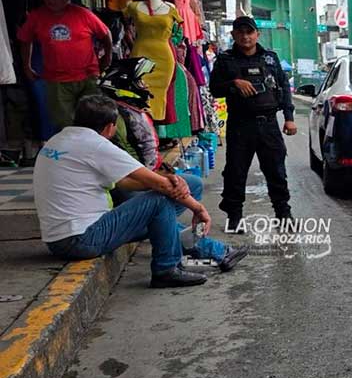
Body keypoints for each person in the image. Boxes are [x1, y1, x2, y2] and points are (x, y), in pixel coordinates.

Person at [33, 96, 247, 288]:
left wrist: (167, 181)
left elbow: (124, 182)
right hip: (81, 238)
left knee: (183, 190)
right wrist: (198, 208)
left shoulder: (60, 139)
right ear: (109, 127)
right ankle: (166, 269)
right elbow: (158, 186)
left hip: (62, 238)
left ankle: (218, 252)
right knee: (159, 203)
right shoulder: (95, 145)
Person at [209, 16, 296, 231]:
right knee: (235, 172)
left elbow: (284, 88)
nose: (245, 36)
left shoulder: (270, 58)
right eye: (240, 32)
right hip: (240, 125)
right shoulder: (226, 60)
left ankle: (283, 214)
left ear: (257, 34)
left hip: (268, 124)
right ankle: (234, 216)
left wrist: (289, 118)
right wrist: (233, 84)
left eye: (249, 32)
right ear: (234, 35)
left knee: (276, 171)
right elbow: (214, 89)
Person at [16, 0, 115, 132]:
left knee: (94, 122)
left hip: (87, 76)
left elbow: (105, 34)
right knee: (65, 125)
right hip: (57, 80)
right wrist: (27, 66)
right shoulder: (36, 17)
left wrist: (107, 56)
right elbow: (25, 40)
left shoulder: (82, 14)